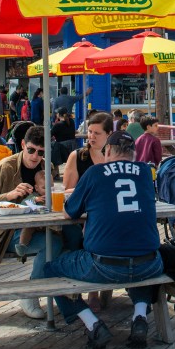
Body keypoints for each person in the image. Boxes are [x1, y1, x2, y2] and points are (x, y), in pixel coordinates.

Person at [40, 130, 163, 349]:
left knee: (50, 270)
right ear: (134, 153)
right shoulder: (146, 172)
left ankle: (93, 325)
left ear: (107, 151)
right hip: (150, 264)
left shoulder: (96, 173)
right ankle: (139, 316)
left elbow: (70, 213)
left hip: (104, 266)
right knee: (139, 260)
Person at [0, 126, 57, 319]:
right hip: (6, 233)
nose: (35, 156)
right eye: (31, 150)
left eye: (40, 152)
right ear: (22, 145)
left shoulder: (48, 167)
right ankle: (31, 294)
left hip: (38, 226)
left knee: (65, 241)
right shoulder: (6, 167)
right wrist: (10, 195)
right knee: (53, 244)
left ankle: (62, 293)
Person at [60, 111, 114, 314]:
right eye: (89, 132)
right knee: (77, 239)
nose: (91, 136)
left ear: (109, 134)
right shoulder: (78, 156)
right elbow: (67, 190)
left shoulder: (115, 157)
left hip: (107, 216)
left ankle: (95, 289)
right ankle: (87, 290)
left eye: (97, 133)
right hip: (80, 216)